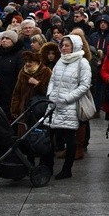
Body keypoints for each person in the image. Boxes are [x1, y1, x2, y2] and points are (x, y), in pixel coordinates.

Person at [41, 34, 92, 180]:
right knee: (49, 137)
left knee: (69, 139)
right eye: (62, 45)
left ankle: (67, 169)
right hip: (54, 105)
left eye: (67, 45)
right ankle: (47, 166)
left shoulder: (82, 63)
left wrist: (67, 98)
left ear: (75, 46)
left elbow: (85, 85)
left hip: (69, 105)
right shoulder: (60, 61)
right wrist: (50, 94)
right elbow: (52, 79)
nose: (63, 48)